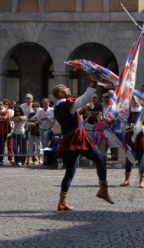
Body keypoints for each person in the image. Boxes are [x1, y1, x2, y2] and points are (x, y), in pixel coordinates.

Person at [52, 75, 114, 211]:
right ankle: (103, 190)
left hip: (68, 139)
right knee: (100, 159)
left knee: (69, 172)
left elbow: (72, 114)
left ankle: (62, 202)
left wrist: (84, 109)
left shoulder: (57, 107)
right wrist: (93, 82)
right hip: (78, 137)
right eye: (65, 88)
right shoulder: (66, 103)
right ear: (61, 93)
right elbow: (84, 98)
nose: (68, 88)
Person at [120, 96, 144, 188]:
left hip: (140, 137)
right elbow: (122, 125)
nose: (135, 101)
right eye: (133, 99)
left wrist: (138, 128)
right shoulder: (127, 111)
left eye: (137, 99)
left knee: (141, 159)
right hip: (129, 137)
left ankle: (141, 181)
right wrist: (127, 128)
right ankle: (127, 179)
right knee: (129, 158)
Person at [3, 99, 15, 165]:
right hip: (2, 129)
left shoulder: (11, 111)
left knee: (10, 145)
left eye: (7, 104)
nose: (5, 105)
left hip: (9, 128)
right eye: (4, 104)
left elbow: (11, 118)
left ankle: (11, 158)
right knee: (1, 145)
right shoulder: (1, 111)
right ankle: (0, 159)